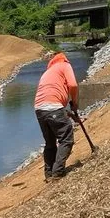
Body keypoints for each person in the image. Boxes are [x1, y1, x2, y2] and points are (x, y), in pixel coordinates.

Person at [34, 52, 80, 181]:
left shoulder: (48, 72)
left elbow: (52, 100)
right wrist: (75, 102)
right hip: (52, 107)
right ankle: (58, 172)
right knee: (66, 139)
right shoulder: (64, 65)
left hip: (39, 109)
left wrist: (70, 114)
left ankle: (48, 174)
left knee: (50, 142)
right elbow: (73, 85)